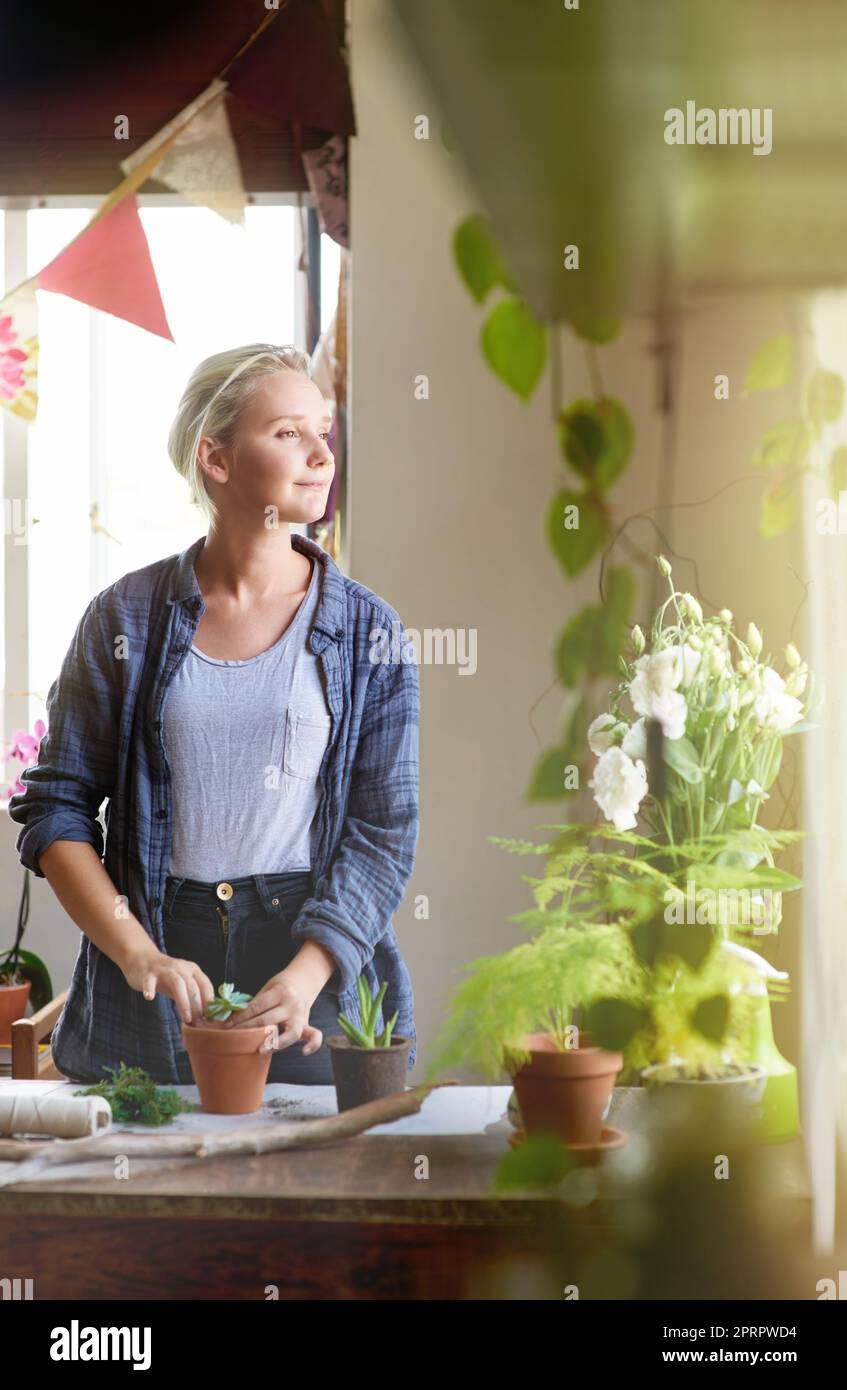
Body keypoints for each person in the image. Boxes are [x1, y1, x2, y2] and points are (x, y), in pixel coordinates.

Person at [8, 344, 420, 1085]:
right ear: (217, 458)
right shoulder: (121, 618)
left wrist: (303, 979)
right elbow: (56, 808)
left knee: (318, 1189)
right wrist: (136, 950)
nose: (323, 453)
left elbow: (383, 830)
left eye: (324, 430)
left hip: (311, 977)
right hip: (154, 971)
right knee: (146, 1189)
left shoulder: (371, 631)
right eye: (289, 432)